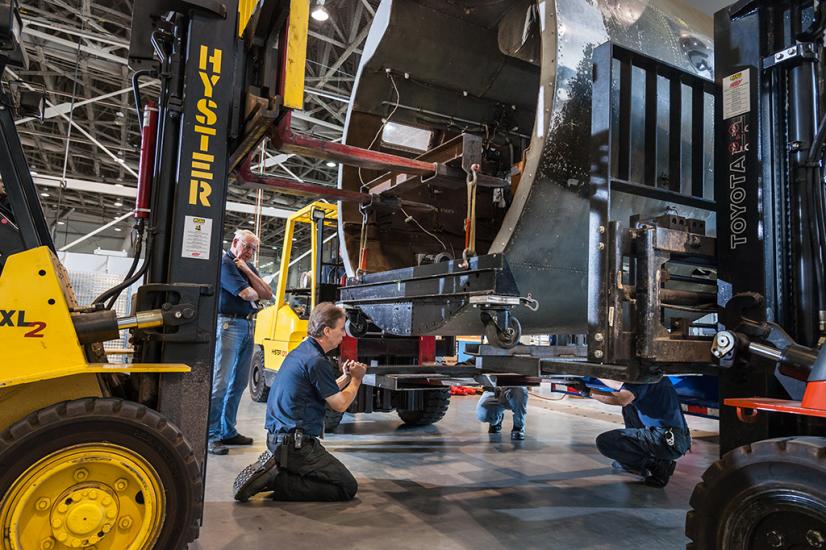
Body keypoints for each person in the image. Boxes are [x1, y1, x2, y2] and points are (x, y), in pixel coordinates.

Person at [232, 302, 367, 502]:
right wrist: (357, 379)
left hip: (281, 440)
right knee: (346, 487)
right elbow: (338, 404)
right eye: (340, 329)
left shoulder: (304, 351)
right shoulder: (317, 361)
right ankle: (277, 479)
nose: (343, 335)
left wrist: (346, 377)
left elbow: (324, 390)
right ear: (327, 331)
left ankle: (278, 470)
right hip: (297, 446)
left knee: (329, 478)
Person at [208, 229, 273, 455]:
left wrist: (247, 270)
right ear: (235, 242)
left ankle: (228, 430)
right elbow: (249, 295)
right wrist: (255, 286)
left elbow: (268, 293)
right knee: (221, 382)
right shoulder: (225, 263)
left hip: (246, 326)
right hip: (228, 326)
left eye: (253, 249)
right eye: (247, 247)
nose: (250, 252)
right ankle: (212, 435)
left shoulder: (245, 266)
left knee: (238, 384)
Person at [588, 377, 691, 488]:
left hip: (666, 441)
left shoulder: (643, 378)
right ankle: (639, 462)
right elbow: (619, 385)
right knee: (630, 406)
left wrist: (588, 392)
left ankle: (658, 465)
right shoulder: (653, 376)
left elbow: (621, 399)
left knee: (605, 442)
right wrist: (596, 375)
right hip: (675, 437)